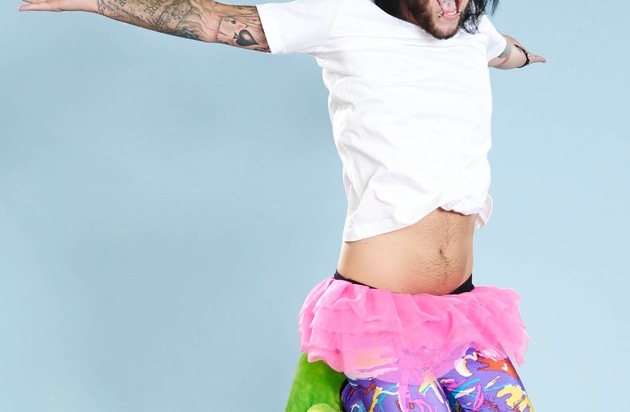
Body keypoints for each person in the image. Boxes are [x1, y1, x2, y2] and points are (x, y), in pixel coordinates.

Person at [19, 0, 545, 410]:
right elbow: (215, 20)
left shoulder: (470, 28)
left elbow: (501, 49)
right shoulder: (344, 17)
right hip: (378, 323)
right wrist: (99, 2)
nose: (455, 4)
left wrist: (521, 57)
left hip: (460, 312)